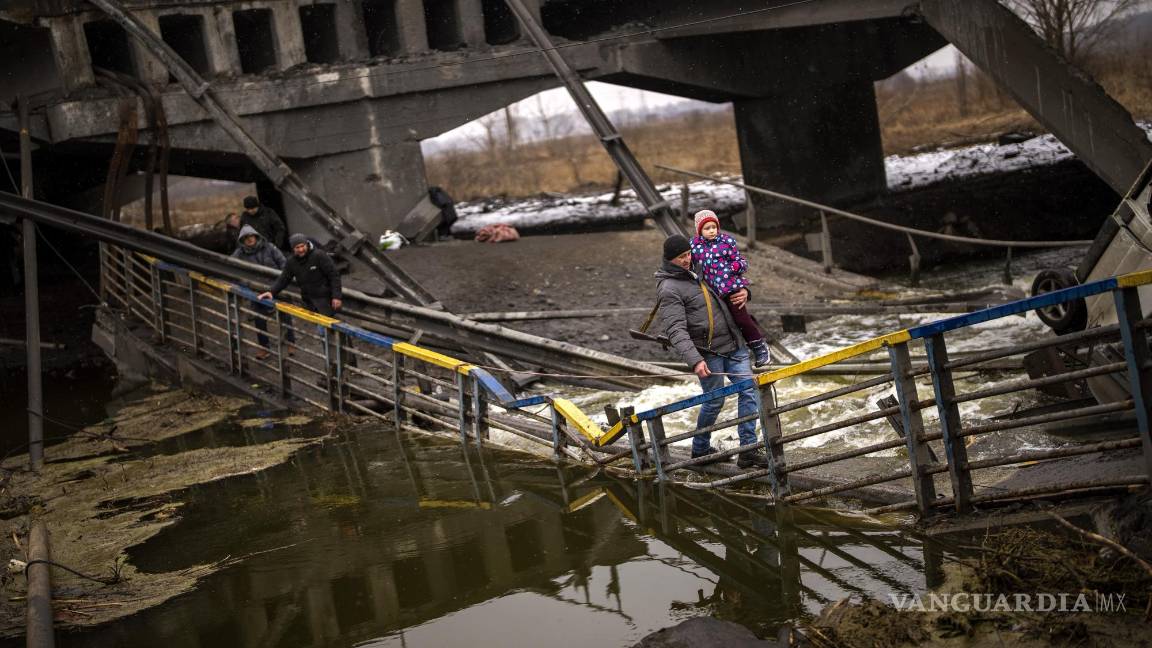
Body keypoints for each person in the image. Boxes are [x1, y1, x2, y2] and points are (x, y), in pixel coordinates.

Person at [655, 234, 770, 469]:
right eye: (681, 257)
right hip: (708, 353)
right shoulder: (669, 288)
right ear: (669, 259)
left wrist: (746, 291)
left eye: (688, 254)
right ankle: (699, 449)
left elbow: (730, 280)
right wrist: (695, 360)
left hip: (734, 345)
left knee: (748, 392)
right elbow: (676, 330)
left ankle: (748, 450)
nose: (687, 260)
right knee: (715, 401)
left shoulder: (703, 268)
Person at [690, 209, 770, 367]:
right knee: (727, 321)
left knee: (741, 318)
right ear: (699, 230)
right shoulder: (694, 246)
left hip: (730, 287)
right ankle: (739, 353)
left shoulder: (726, 241)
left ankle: (760, 347)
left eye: (714, 227)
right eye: (707, 228)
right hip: (712, 292)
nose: (712, 231)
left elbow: (742, 262)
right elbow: (690, 264)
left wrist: (732, 267)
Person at [231, 224, 294, 359]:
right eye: (245, 238)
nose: (249, 239)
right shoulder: (239, 254)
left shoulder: (270, 247)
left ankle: (290, 343)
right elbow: (232, 270)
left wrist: (281, 283)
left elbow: (284, 264)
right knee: (259, 319)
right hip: (257, 291)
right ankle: (264, 348)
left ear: (256, 236)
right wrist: (247, 285)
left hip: (277, 287)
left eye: (251, 236)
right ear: (242, 240)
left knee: (286, 316)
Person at [258, 233, 342, 316]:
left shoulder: (319, 255)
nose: (301, 250)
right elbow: (284, 279)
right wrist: (271, 292)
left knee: (331, 326)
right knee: (318, 326)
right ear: (293, 249)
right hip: (309, 302)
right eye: (297, 247)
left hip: (326, 300)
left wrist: (336, 296)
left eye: (302, 246)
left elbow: (334, 275)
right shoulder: (291, 262)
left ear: (307, 244)